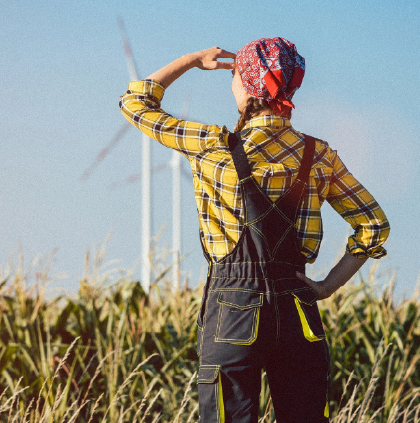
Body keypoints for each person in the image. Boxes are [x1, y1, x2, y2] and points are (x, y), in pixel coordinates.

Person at [118, 38, 389, 423]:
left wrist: (192, 60)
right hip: (298, 306)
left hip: (233, 308)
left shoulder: (212, 145)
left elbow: (135, 103)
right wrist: (327, 287)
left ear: (246, 85)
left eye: (234, 77)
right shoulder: (319, 155)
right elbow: (374, 225)